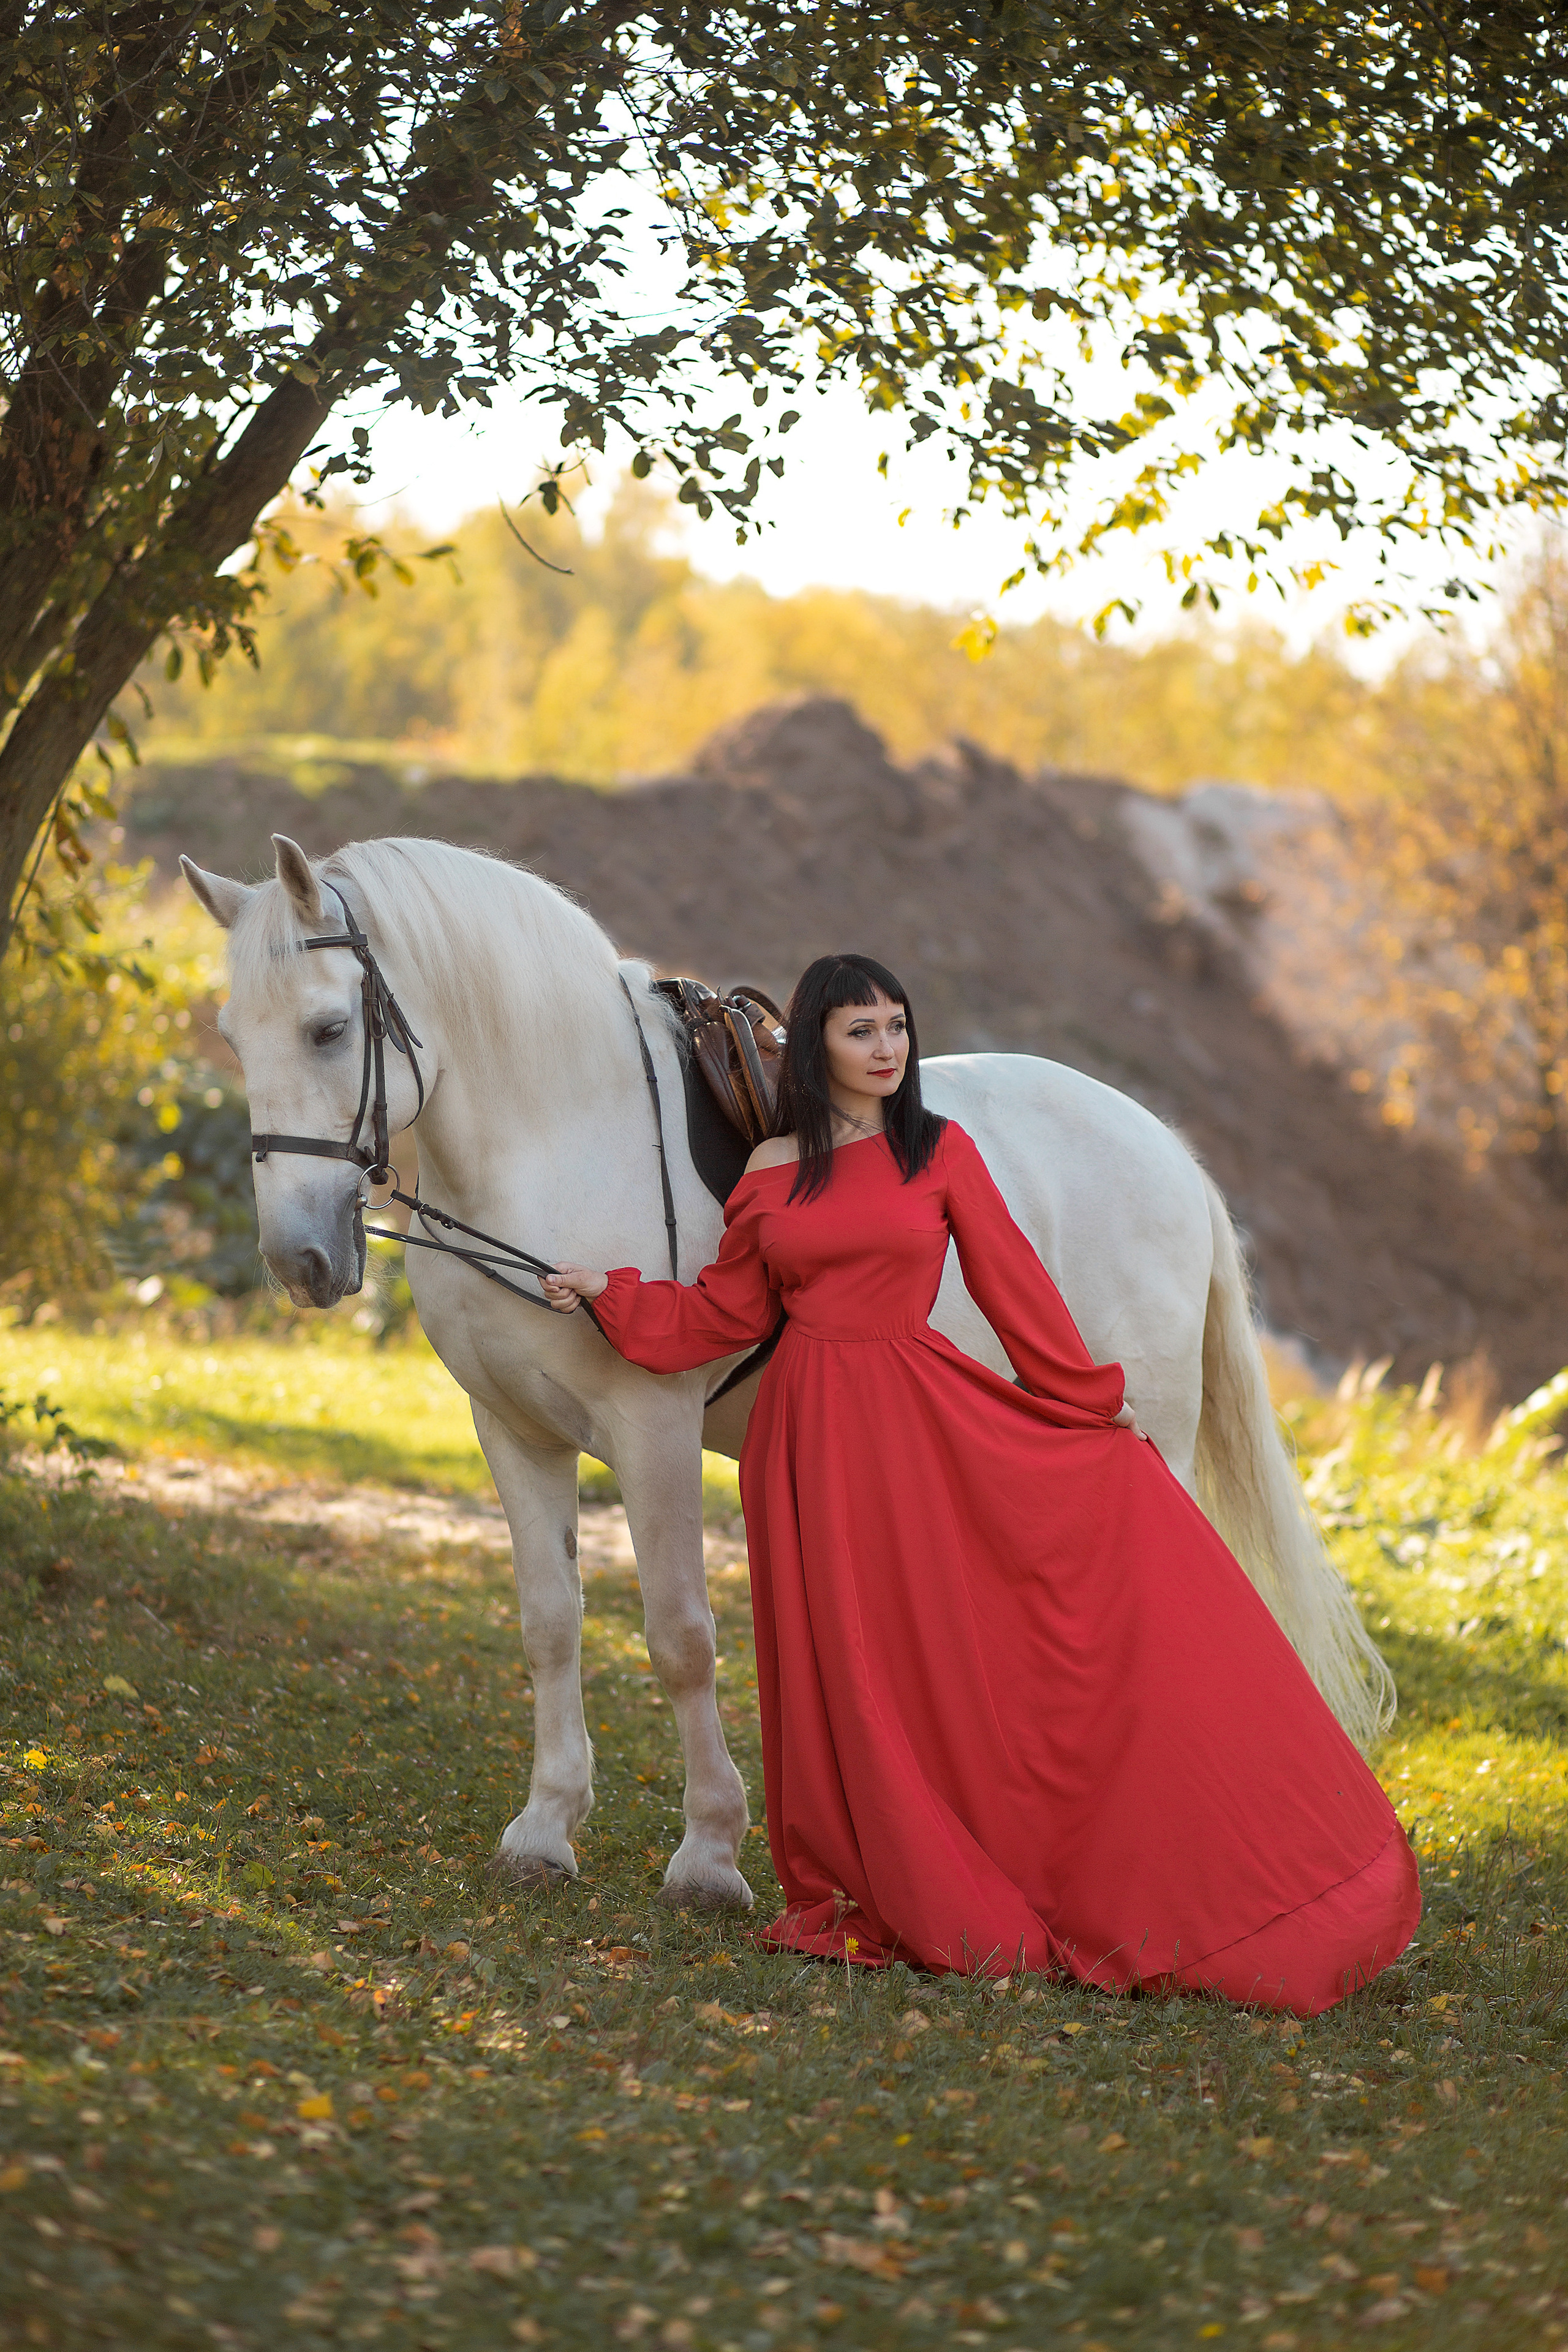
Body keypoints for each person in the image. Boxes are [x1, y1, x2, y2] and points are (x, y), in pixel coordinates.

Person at [543, 954, 1420, 2013]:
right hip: (804, 1441)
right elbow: (726, 1315)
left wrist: (1088, 1401)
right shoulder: (772, 1164)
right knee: (836, 1660)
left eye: (898, 1030)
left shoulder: (939, 1152)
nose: (886, 1050)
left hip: (915, 1420)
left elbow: (1015, 1288)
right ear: (817, 1040)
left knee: (936, 1647)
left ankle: (1012, 1849)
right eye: (862, 1031)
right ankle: (862, 1877)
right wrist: (609, 1292)